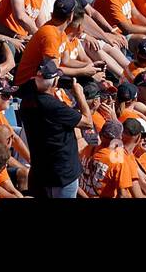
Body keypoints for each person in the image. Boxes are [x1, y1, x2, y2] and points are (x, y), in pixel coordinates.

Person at [16, 57, 90, 197]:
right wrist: (80, 95)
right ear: (55, 82)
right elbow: (87, 123)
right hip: (62, 175)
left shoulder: (26, 101)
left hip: (40, 173)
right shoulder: (54, 107)